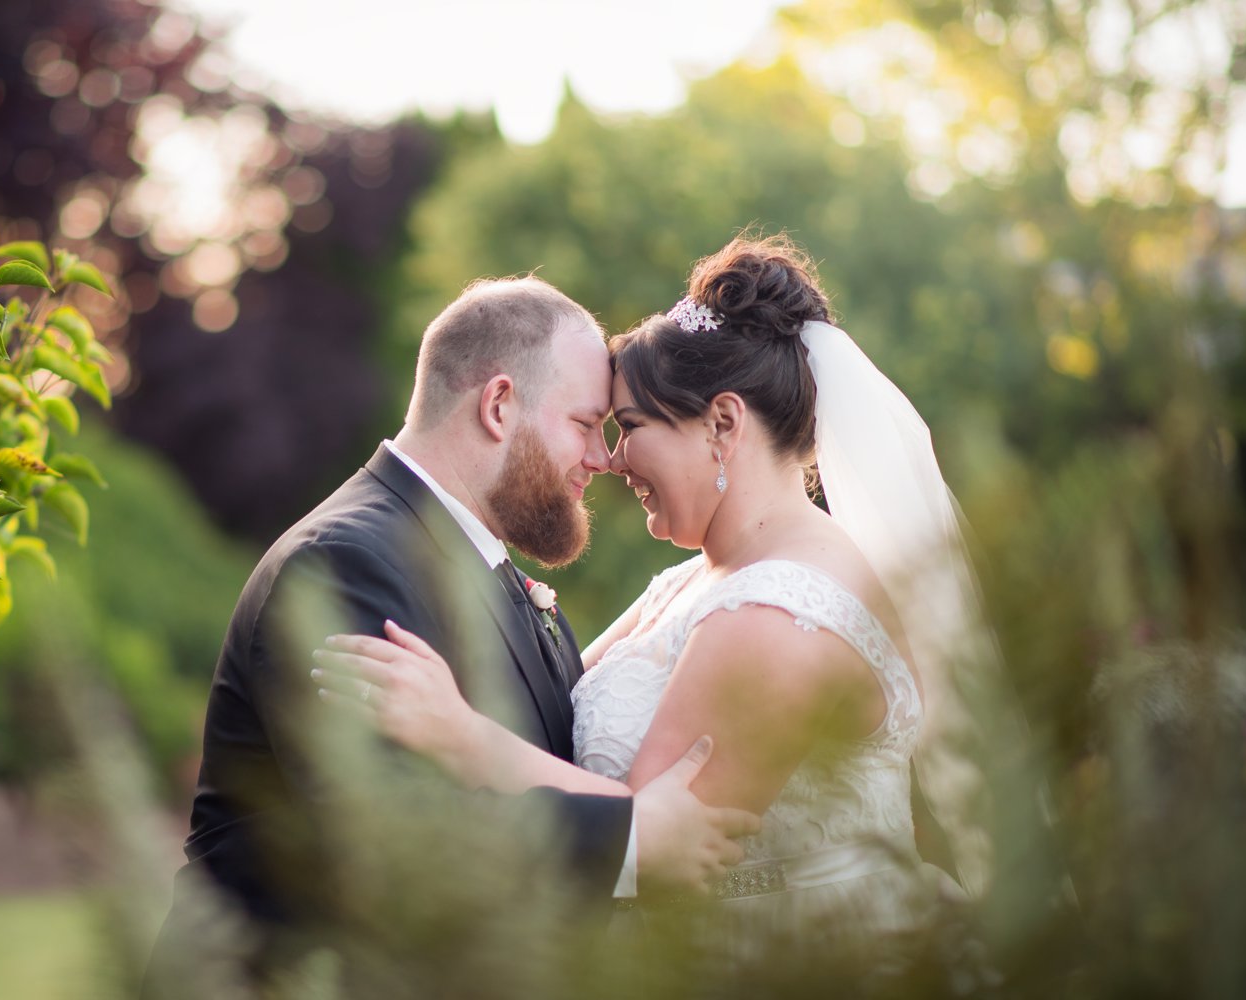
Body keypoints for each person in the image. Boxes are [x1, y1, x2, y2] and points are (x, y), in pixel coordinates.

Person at [316, 236, 983, 964]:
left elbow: (656, 846)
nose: (611, 460)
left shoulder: (783, 614)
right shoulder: (699, 579)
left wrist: (458, 733)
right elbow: (560, 714)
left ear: (723, 424)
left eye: (629, 426)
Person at [145, 276, 763, 994]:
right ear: (499, 406)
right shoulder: (346, 562)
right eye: (586, 423)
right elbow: (389, 835)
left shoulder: (487, 571)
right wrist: (634, 840)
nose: (603, 458)